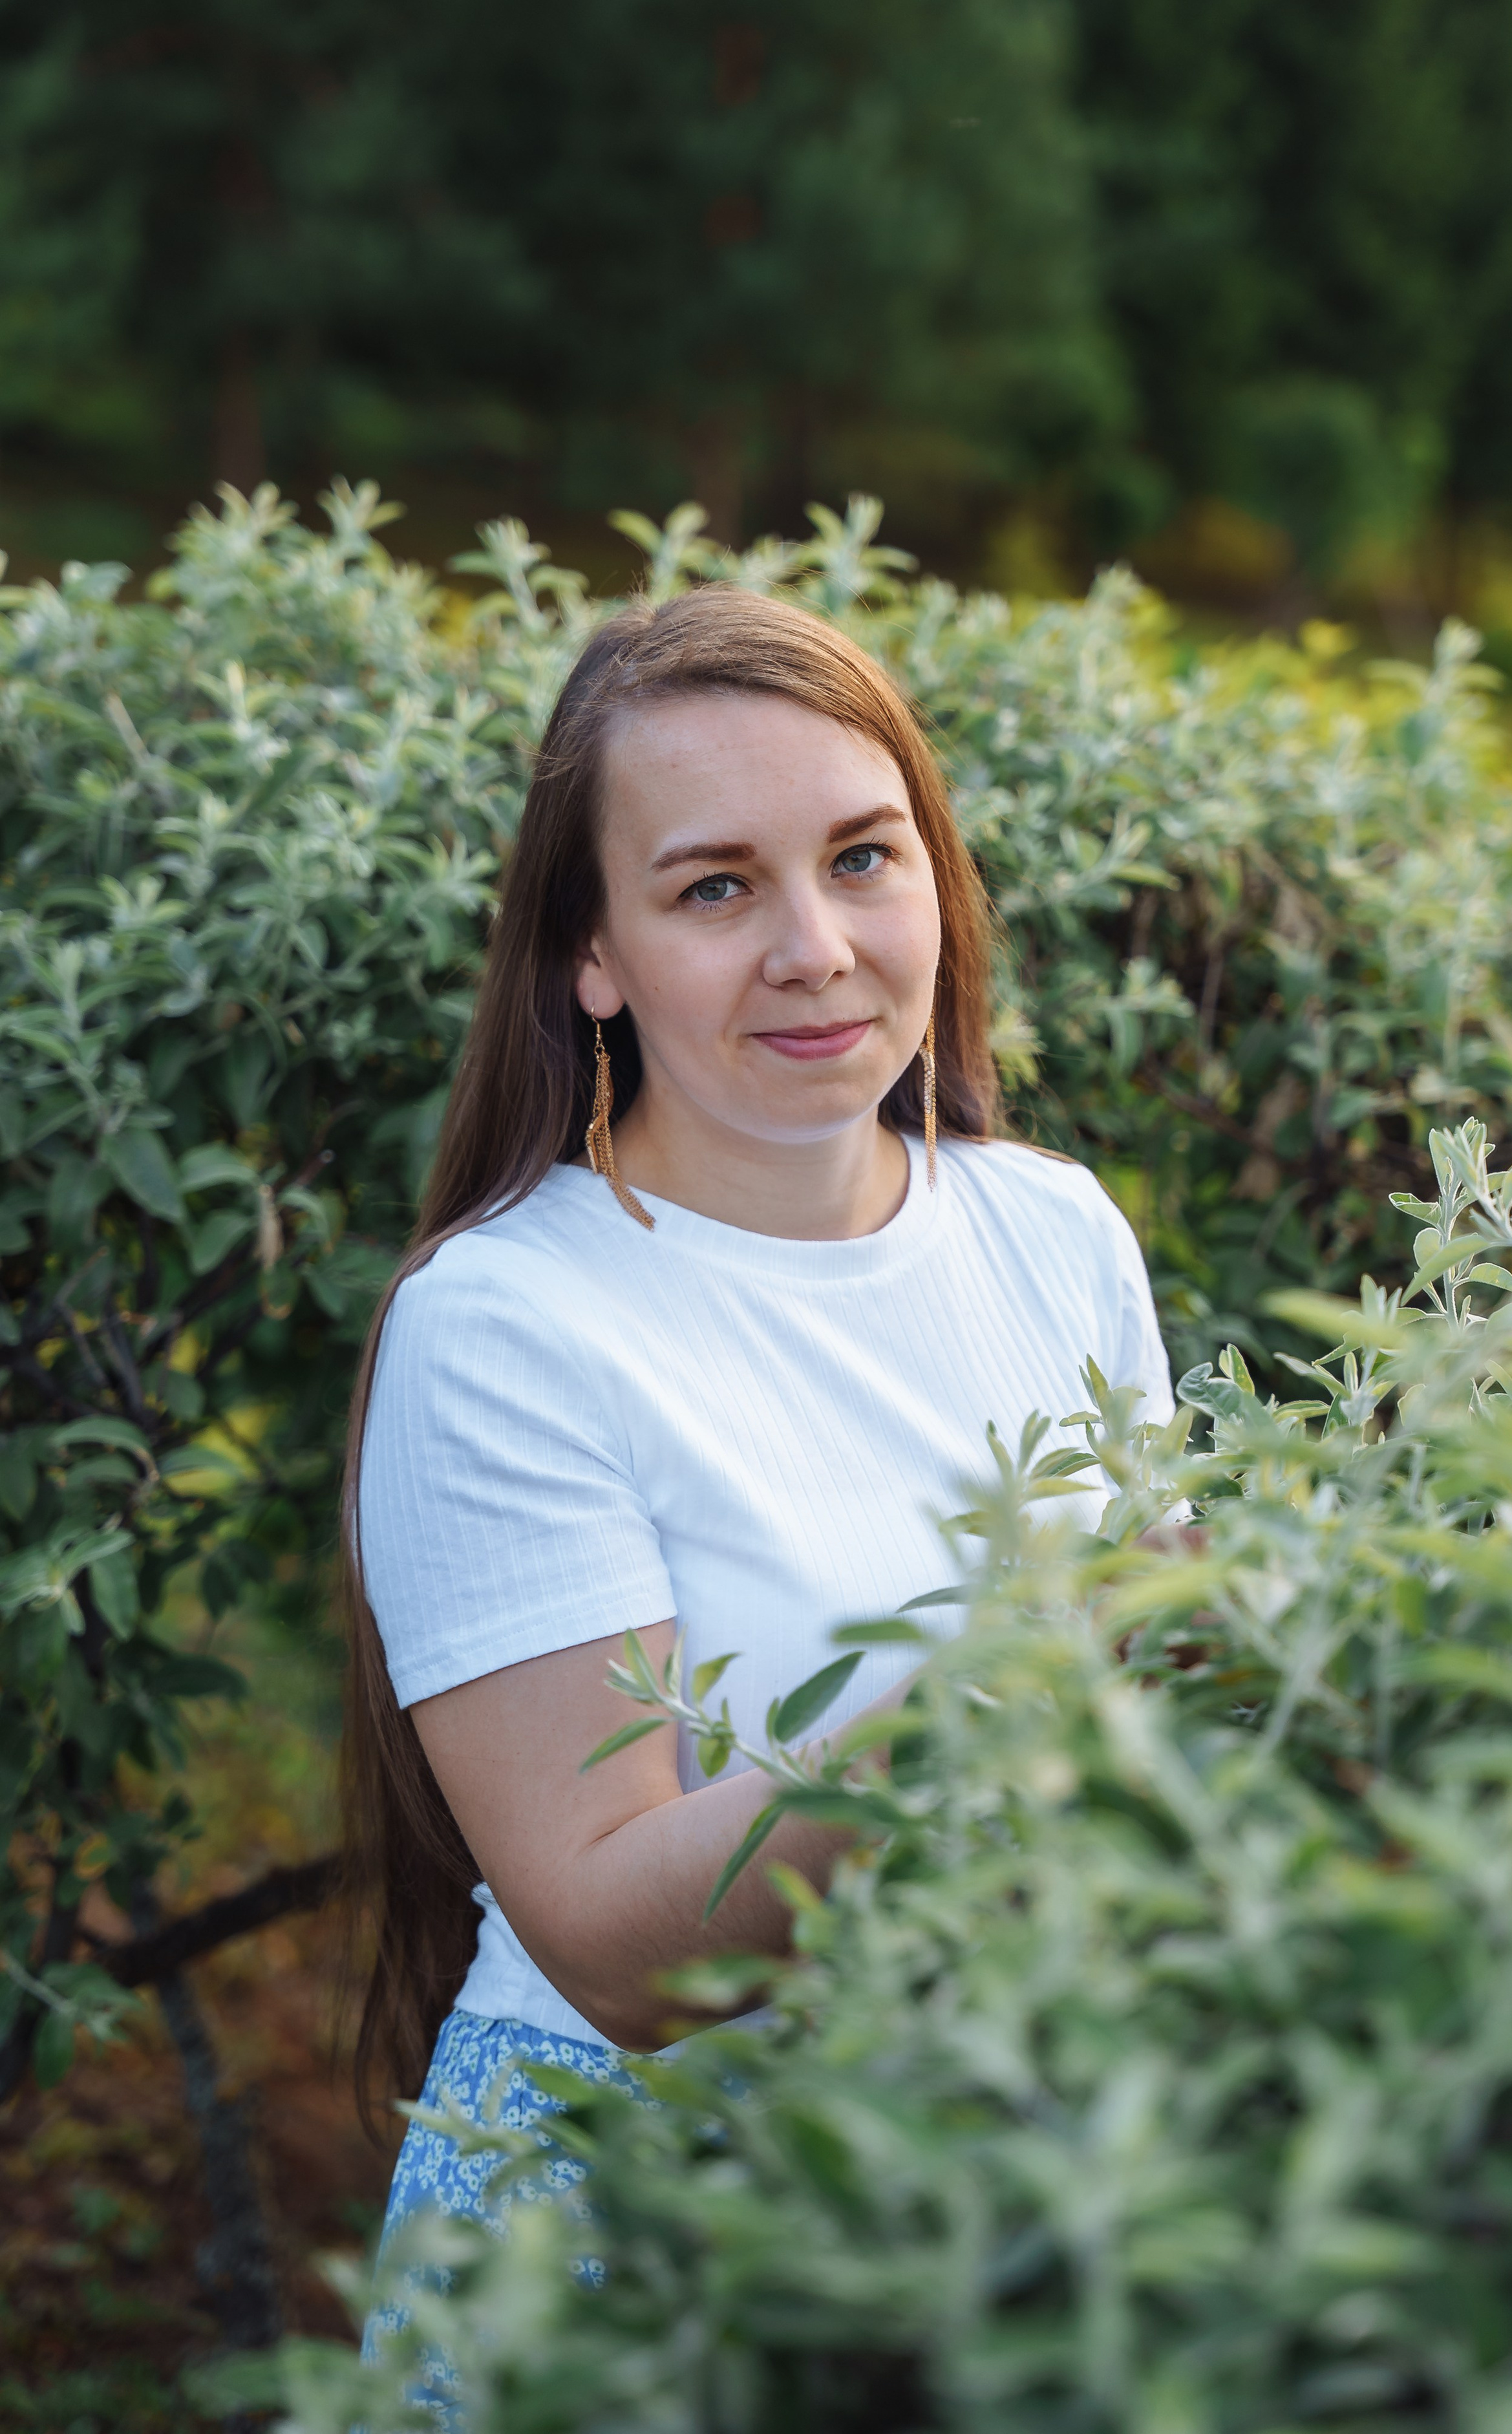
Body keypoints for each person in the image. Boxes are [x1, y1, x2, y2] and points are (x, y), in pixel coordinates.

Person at [345, 584, 1173, 2251]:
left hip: (1031, 2187)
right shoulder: (506, 1327)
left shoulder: (1055, 1229)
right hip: (642, 2228)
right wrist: (1000, 1696)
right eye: (715, 887)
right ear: (591, 954)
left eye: (863, 857)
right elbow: (613, 1949)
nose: (816, 948)